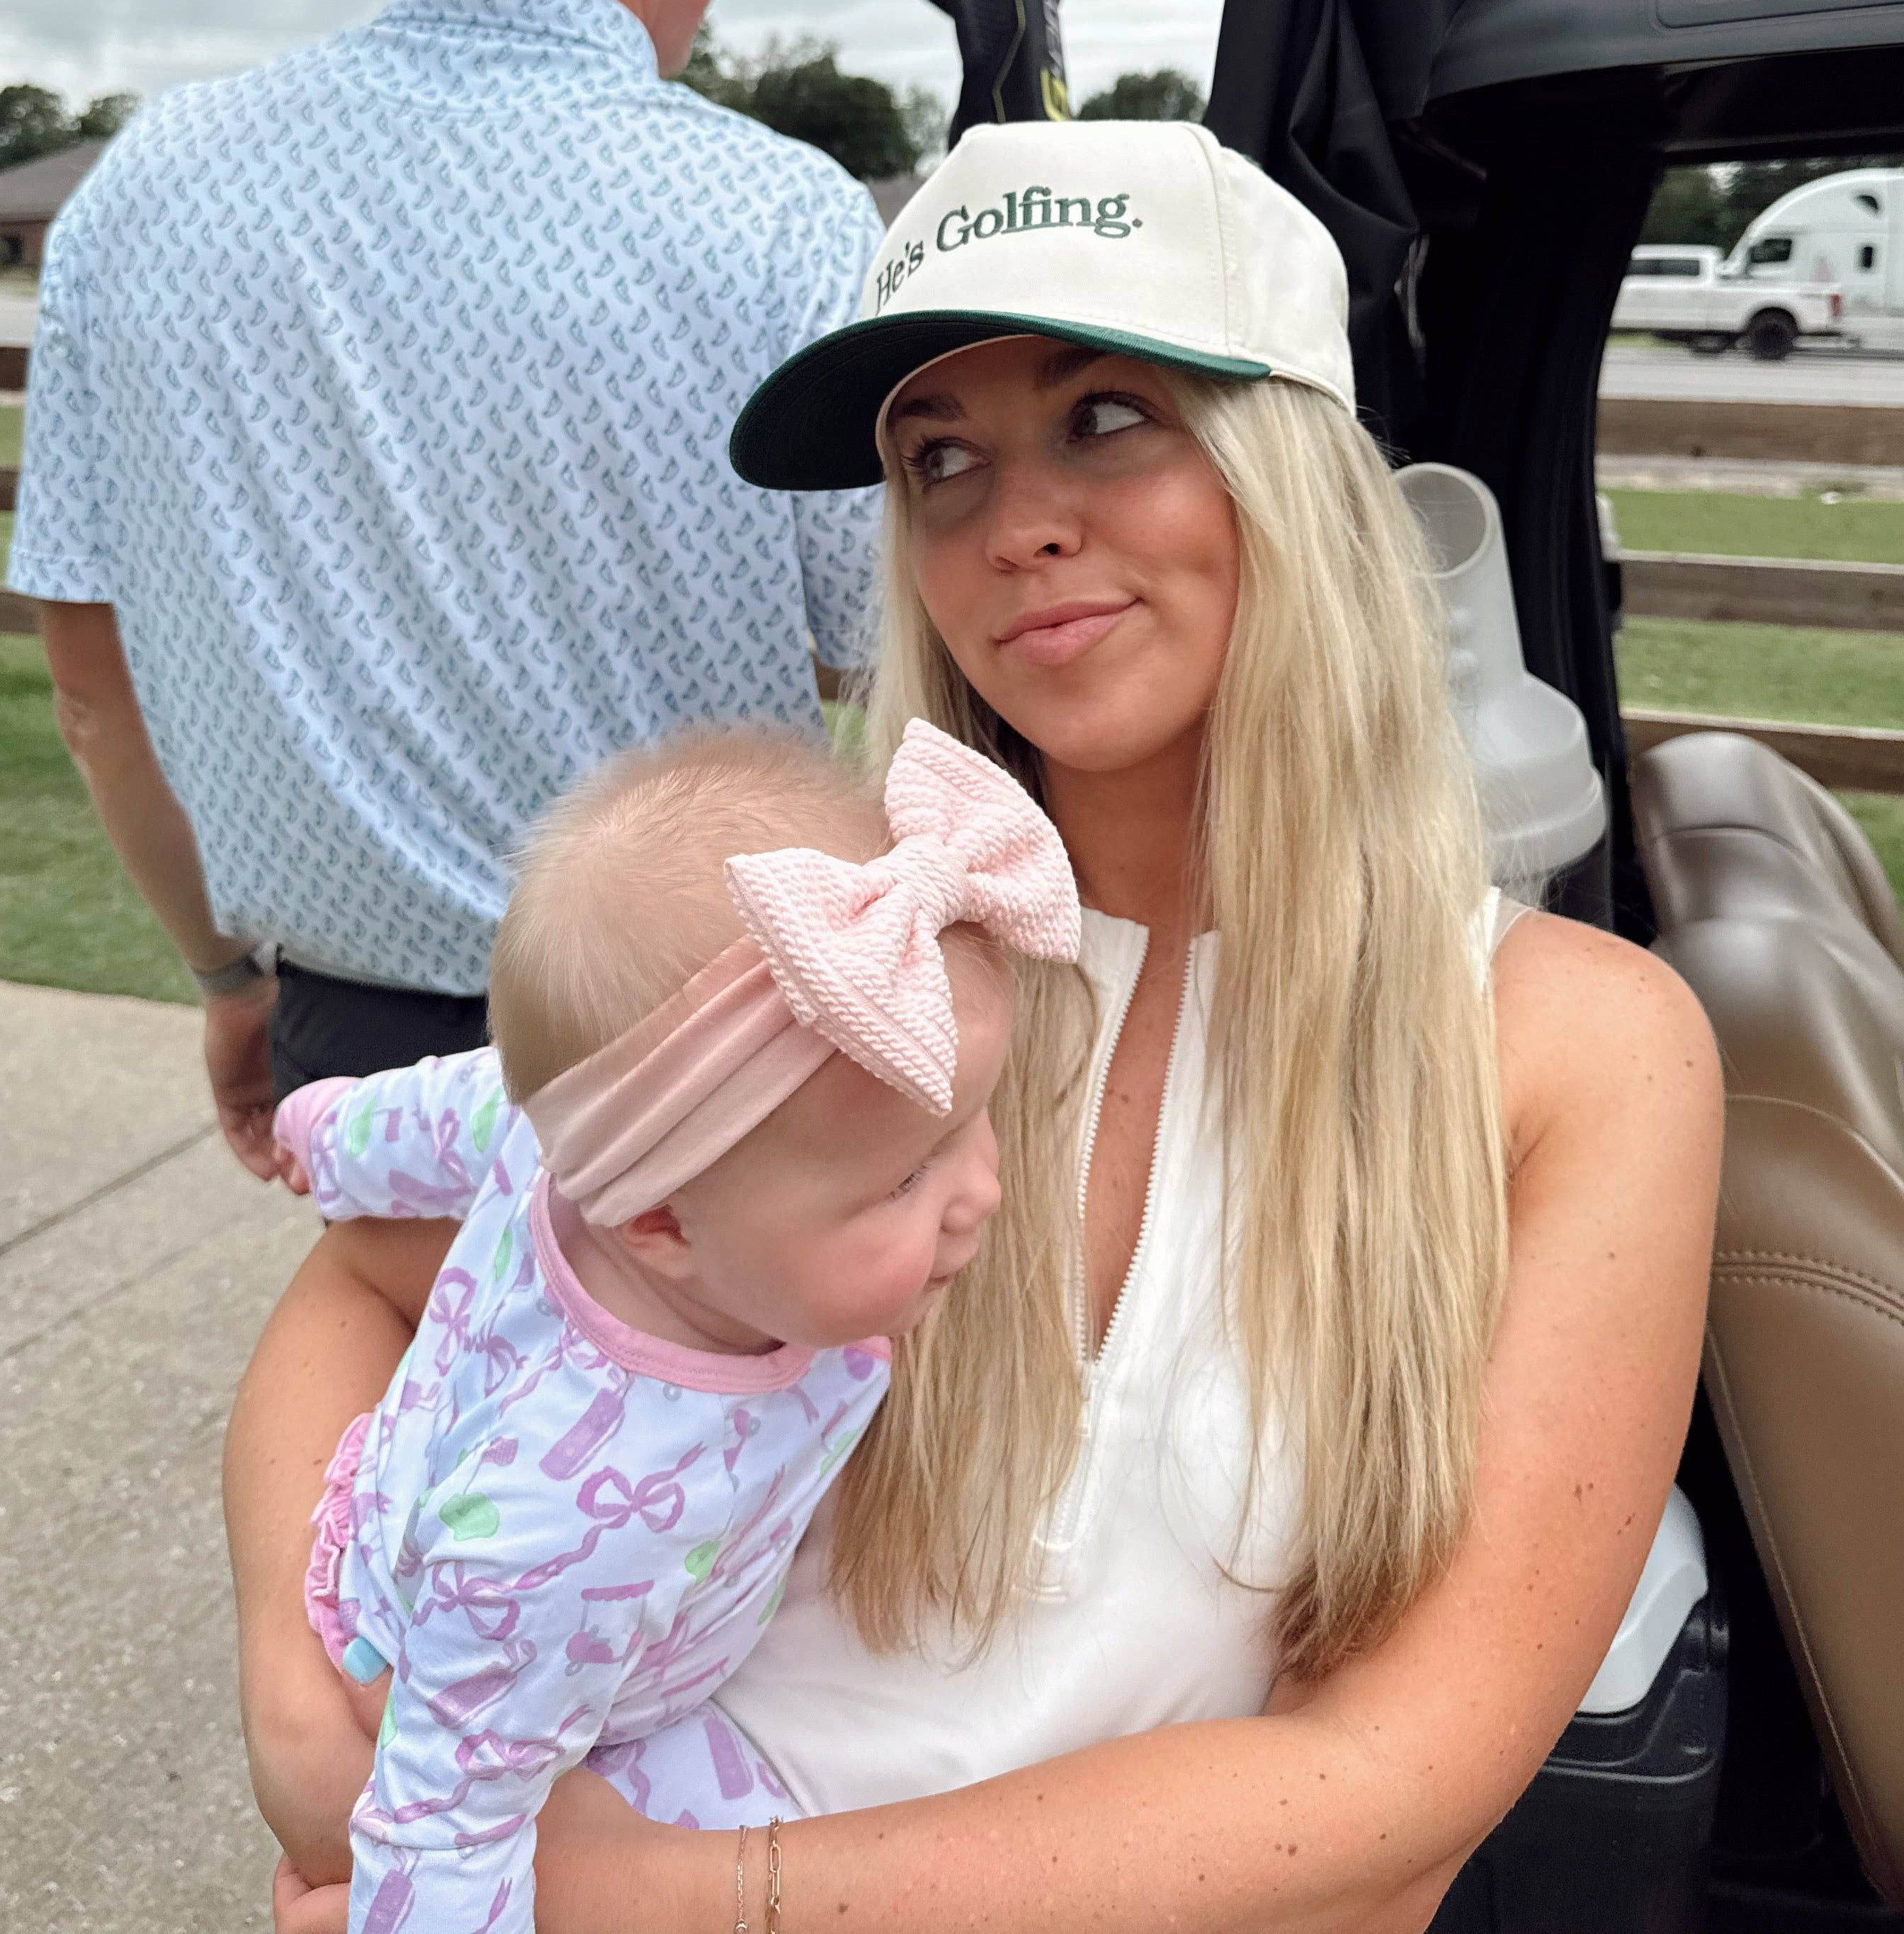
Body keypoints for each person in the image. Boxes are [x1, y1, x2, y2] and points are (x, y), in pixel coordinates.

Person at [230, 119, 1723, 1934]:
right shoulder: (818, 963)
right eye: (940, 460)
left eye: (1110, 418)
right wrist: (310, 1719)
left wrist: (648, 1899)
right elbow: (367, 1285)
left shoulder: (1576, 1049)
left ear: (1301, 467)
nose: (1015, 524)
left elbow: (1394, 1783)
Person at [8, 0, 883, 1167]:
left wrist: (223, 977)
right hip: (712, 1052)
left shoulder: (149, 188)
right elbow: (892, 647)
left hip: (349, 1043)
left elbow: (89, 677)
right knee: (732, 1413)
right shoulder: (778, 214)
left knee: (404, 1387)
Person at [267, 719, 1067, 1933]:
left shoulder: (581, 1131)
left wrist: (321, 1131)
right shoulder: (555, 1543)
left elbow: (451, 1105)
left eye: (971, 1124)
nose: (983, 1196)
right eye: (904, 1181)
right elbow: (444, 1825)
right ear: (658, 1225)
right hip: (513, 1686)